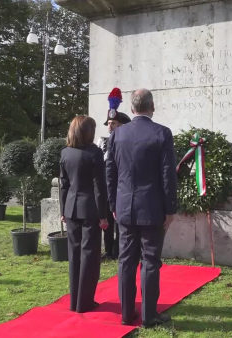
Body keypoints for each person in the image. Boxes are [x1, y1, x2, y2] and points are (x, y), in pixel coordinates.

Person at [106, 88, 177, 328]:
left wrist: (112, 203)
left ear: (133, 108)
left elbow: (110, 173)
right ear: (152, 106)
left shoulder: (118, 135)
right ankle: (148, 315)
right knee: (149, 261)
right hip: (152, 207)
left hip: (125, 206)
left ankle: (127, 314)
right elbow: (168, 175)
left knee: (126, 260)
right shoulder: (162, 133)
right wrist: (170, 209)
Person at [59, 115, 109, 313]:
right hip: (90, 210)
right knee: (89, 256)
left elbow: (64, 184)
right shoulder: (94, 154)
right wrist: (103, 214)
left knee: (74, 255)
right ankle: (85, 302)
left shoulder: (65, 153)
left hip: (71, 209)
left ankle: (75, 302)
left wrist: (63, 210)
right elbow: (99, 187)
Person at [96, 87, 131, 260]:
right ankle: (108, 250)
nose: (110, 126)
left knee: (119, 222)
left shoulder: (125, 143)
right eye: (109, 124)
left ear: (121, 125)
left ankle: (118, 250)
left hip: (119, 187)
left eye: (114, 124)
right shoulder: (101, 143)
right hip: (105, 187)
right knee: (107, 220)